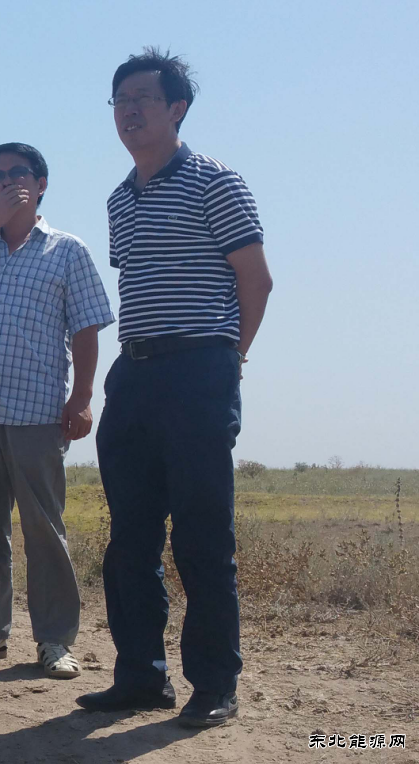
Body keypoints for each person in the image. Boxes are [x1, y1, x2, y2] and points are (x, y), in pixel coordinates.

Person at [77, 49, 273, 728]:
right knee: (129, 539)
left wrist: (230, 359)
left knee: (201, 536)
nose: (129, 110)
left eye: (143, 98)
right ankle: (140, 677)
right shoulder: (118, 198)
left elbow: (256, 280)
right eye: (120, 100)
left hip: (198, 371)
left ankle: (214, 683)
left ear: (177, 108)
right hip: (133, 374)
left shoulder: (216, 181)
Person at [0, 143, 114, 679]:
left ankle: (55, 641)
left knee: (43, 528)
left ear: (41, 184)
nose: (7, 182)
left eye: (19, 173)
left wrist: (82, 398)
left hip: (37, 407)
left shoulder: (67, 250)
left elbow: (87, 328)